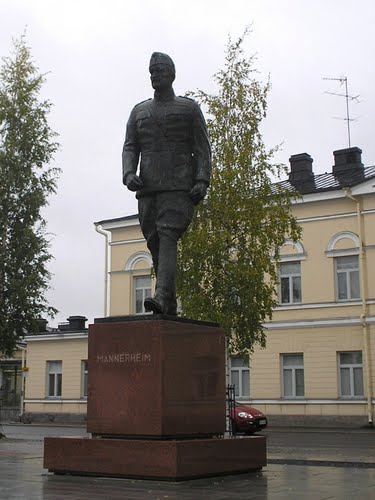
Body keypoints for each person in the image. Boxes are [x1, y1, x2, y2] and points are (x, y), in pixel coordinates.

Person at [122, 52, 211, 315]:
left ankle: (160, 295)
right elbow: (130, 146)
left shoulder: (188, 108)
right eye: (152, 71)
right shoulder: (139, 111)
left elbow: (202, 147)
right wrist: (128, 174)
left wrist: (202, 179)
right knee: (155, 243)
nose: (155, 75)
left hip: (178, 186)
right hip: (147, 187)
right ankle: (168, 306)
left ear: (172, 74)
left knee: (167, 235)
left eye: (160, 70)